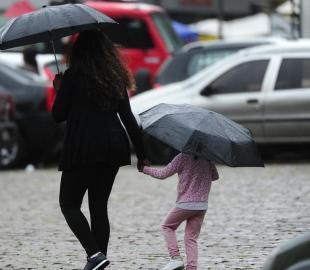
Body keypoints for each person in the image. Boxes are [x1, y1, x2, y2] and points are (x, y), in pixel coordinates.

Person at [52, 30, 148, 270]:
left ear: (79, 52)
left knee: (69, 204)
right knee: (98, 207)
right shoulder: (114, 78)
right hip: (112, 146)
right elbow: (128, 118)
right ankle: (98, 260)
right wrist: (143, 153)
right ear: (106, 52)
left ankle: (94, 254)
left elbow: (58, 115)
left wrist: (59, 89)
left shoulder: (73, 77)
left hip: (83, 147)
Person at [140, 153, 219, 270]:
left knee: (167, 226)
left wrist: (144, 169)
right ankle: (192, 267)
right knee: (191, 238)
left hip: (185, 203)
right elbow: (215, 176)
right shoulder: (207, 157)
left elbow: (163, 174)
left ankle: (175, 258)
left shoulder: (182, 157)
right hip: (201, 205)